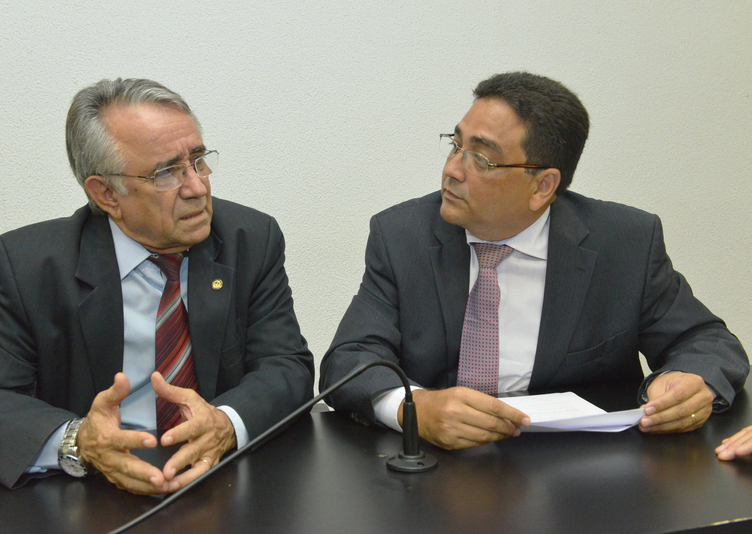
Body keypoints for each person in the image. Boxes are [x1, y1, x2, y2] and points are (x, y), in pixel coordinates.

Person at [319, 72, 748, 451]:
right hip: (432, 468)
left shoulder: (624, 243)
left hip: (580, 473)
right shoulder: (402, 235)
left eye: (481, 158)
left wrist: (692, 381)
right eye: (455, 145)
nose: (452, 170)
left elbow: (708, 342)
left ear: (543, 186)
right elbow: (350, 359)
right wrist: (414, 408)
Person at [0, 78, 314, 494]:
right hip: (86, 495)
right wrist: (79, 442)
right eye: (167, 173)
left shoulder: (249, 239)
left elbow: (287, 366)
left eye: (198, 160)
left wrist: (225, 423)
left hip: (221, 483)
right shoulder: (27, 266)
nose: (198, 187)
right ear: (107, 194)